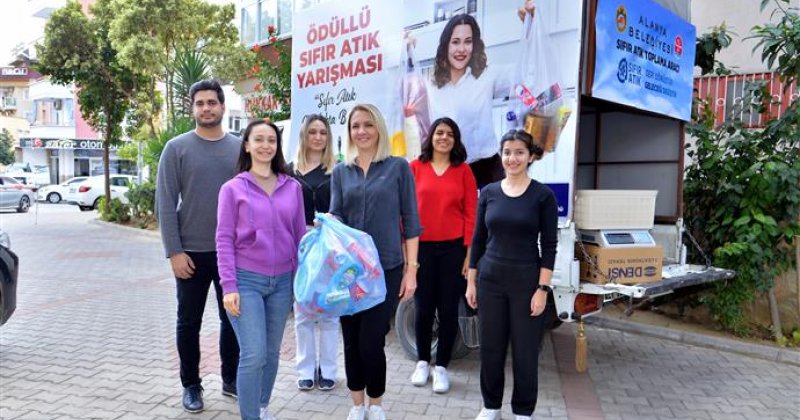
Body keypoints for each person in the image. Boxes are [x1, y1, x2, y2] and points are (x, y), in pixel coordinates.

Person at [329, 104, 422, 420]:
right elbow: (337, 213)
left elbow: (410, 220)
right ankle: (357, 405)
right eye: (355, 126)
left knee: (372, 342)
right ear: (349, 132)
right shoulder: (341, 171)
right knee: (352, 341)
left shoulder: (398, 168)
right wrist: (327, 224)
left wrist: (411, 270)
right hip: (349, 273)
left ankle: (377, 404)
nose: (362, 131)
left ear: (379, 128)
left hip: (386, 269)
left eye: (368, 124)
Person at [156, 79, 240, 413]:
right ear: (192, 108)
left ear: (222, 107)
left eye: (212, 102)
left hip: (230, 253)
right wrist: (174, 251)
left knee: (232, 319)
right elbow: (164, 202)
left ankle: (231, 379)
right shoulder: (176, 148)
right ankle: (191, 385)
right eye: (200, 103)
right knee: (188, 322)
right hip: (189, 253)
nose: (206, 108)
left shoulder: (238, 149)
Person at [216, 119, 306, 420]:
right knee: (253, 355)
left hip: (282, 283)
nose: (266, 145)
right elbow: (224, 239)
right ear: (247, 145)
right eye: (259, 140)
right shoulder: (232, 189)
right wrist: (229, 287)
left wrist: (302, 281)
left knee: (270, 354)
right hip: (245, 281)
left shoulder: (292, 187)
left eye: (271, 140)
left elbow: (299, 237)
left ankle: (262, 407)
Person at [465, 129, 558, 420]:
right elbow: (478, 239)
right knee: (490, 349)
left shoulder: (543, 196)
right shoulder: (489, 193)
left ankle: (523, 411)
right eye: (507, 152)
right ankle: (491, 406)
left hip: (526, 283)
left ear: (530, 156)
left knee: (525, 353)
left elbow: (550, 246)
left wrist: (542, 290)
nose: (512, 158)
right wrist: (471, 280)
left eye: (519, 152)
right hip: (490, 280)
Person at [420, 3, 536, 187]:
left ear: (475, 45)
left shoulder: (486, 76)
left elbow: (525, 76)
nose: (461, 49)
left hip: (486, 170)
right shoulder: (430, 84)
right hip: (445, 169)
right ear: (446, 45)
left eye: (468, 41)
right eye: (455, 42)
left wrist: (529, 29)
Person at [408, 118, 477, 393]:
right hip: (422, 249)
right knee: (423, 308)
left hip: (453, 250)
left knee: (448, 311)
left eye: (450, 134)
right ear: (431, 137)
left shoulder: (464, 172)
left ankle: (442, 367)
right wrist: (409, 257)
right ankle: (423, 361)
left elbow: (472, 216)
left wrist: (469, 256)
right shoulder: (415, 167)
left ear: (455, 140)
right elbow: (407, 214)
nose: (444, 138)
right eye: (439, 132)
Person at [289, 114, 340, 392]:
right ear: (304, 136)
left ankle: (329, 369)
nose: (318, 137)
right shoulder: (289, 170)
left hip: (329, 243)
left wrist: (331, 221)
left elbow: (344, 207)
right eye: (313, 132)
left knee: (330, 310)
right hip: (300, 245)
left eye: (323, 132)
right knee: (303, 309)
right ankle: (305, 369)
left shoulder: (337, 170)